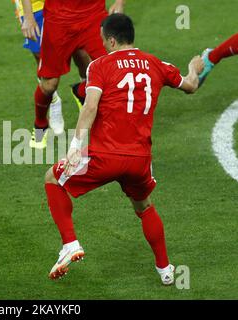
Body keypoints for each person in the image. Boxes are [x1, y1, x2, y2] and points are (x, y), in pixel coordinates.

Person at [44, 14, 204, 284]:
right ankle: (165, 270)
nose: (103, 45)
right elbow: (190, 86)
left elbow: (91, 106)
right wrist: (194, 67)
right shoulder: (157, 64)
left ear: (112, 39)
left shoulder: (100, 65)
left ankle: (70, 244)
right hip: (140, 160)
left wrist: (74, 146)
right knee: (144, 207)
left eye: (104, 40)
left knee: (52, 178)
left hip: (104, 155)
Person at [30, 0, 125, 149]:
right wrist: (29, 17)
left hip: (93, 15)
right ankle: (40, 124)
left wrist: (120, 2)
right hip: (58, 19)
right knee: (49, 85)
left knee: (113, 73)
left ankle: (82, 92)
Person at [15, 0, 93, 135]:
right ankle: (53, 101)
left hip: (67, 6)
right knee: (45, 66)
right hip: (35, 8)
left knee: (83, 55)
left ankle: (83, 93)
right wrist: (28, 16)